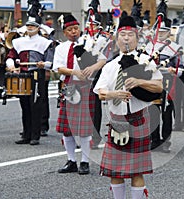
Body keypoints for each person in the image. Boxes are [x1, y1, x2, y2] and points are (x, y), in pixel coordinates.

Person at [94, 16, 163, 199]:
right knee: (115, 172)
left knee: (136, 172)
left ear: (137, 37)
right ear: (117, 38)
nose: (126, 38)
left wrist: (139, 81)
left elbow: (159, 87)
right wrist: (113, 94)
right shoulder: (110, 66)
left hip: (138, 118)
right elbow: (100, 92)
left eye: (130, 34)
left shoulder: (146, 62)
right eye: (122, 34)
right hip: (116, 122)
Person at [53, 14, 106, 175]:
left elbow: (103, 59)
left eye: (76, 28)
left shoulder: (90, 42)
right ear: (64, 32)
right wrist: (74, 71)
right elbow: (58, 68)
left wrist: (92, 68)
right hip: (69, 87)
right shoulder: (60, 48)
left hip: (85, 87)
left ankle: (84, 161)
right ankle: (71, 161)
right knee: (67, 128)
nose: (74, 32)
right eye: (70, 30)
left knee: (84, 128)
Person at [6, 17, 54, 145]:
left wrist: (43, 64)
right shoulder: (18, 42)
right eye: (28, 25)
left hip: (37, 75)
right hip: (23, 75)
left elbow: (50, 63)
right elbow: (11, 57)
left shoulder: (45, 42)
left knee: (35, 105)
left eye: (33, 25)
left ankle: (35, 135)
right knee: (25, 105)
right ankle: (26, 134)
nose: (30, 27)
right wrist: (11, 65)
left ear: (38, 27)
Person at [145, 17, 183, 153]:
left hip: (168, 82)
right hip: (152, 82)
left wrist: (174, 71)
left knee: (167, 114)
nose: (160, 33)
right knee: (153, 112)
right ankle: (154, 140)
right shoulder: (148, 46)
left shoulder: (176, 47)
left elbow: (182, 69)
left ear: (169, 33)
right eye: (159, 31)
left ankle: (165, 142)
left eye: (164, 31)